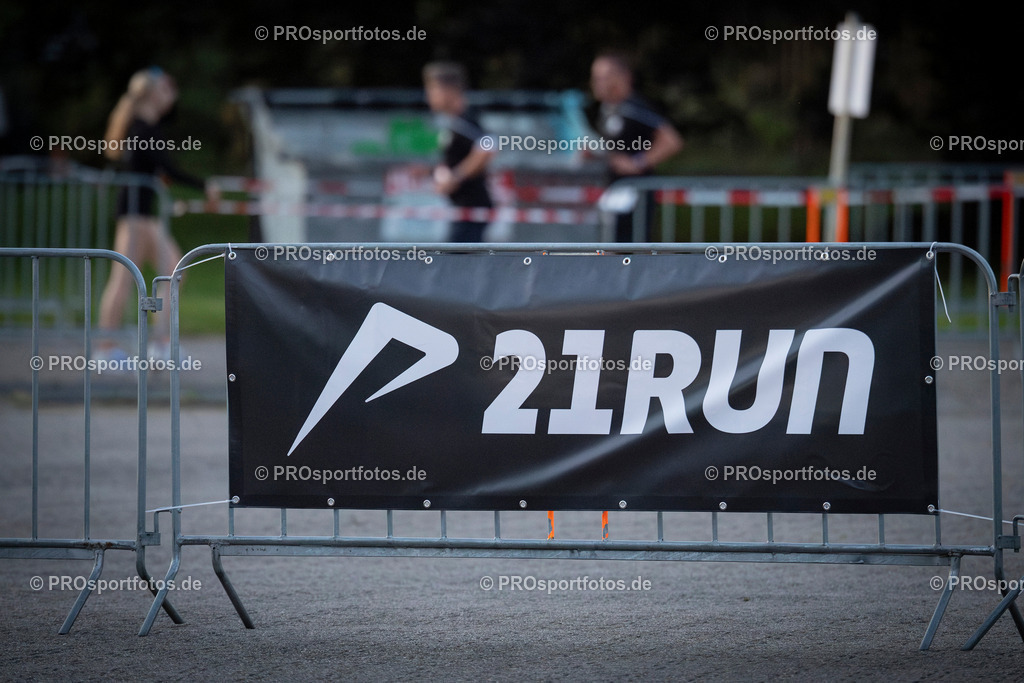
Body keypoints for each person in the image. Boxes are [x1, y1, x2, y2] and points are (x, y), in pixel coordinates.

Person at [97, 66, 218, 360]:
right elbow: (168, 169)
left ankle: (159, 344)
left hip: (141, 215)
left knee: (172, 272)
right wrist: (205, 186)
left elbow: (158, 168)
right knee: (129, 279)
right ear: (151, 94)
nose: (171, 97)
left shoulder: (145, 127)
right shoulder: (143, 128)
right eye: (165, 90)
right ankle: (108, 348)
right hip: (135, 215)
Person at [589, 50, 684, 243]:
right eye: (595, 77)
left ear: (622, 77)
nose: (598, 83)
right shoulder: (608, 110)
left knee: (630, 250)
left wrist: (638, 162)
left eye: (604, 77)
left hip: (634, 193)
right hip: (615, 191)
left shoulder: (633, 108)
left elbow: (672, 140)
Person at [422, 61, 495, 243]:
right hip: (461, 207)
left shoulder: (464, 121)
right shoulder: (452, 122)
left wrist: (455, 177)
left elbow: (489, 146)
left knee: (457, 263)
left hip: (472, 208)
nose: (429, 96)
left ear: (449, 90)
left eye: (432, 90)